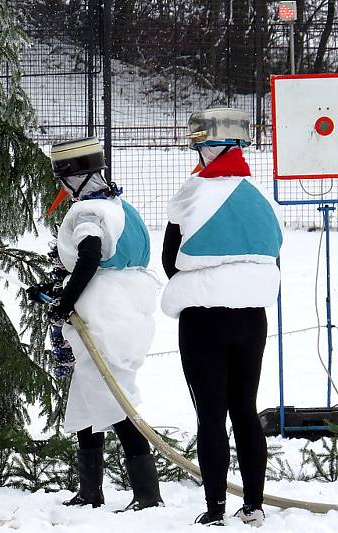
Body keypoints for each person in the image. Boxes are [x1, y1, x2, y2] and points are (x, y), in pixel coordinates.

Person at [27, 137, 163, 512]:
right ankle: (90, 492)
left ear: (76, 178)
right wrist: (54, 289)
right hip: (126, 309)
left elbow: (89, 257)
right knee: (89, 402)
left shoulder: (87, 212)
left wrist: (65, 301)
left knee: (116, 403)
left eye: (65, 181)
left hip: (105, 316)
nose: (64, 189)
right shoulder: (120, 207)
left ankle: (149, 496)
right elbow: (103, 263)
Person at [162, 108, 283, 527]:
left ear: (202, 148)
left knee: (210, 415)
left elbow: (169, 261)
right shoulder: (259, 199)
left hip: (203, 320)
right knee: (245, 411)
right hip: (252, 319)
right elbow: (272, 256)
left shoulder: (192, 194)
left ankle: (214, 508)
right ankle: (253, 505)